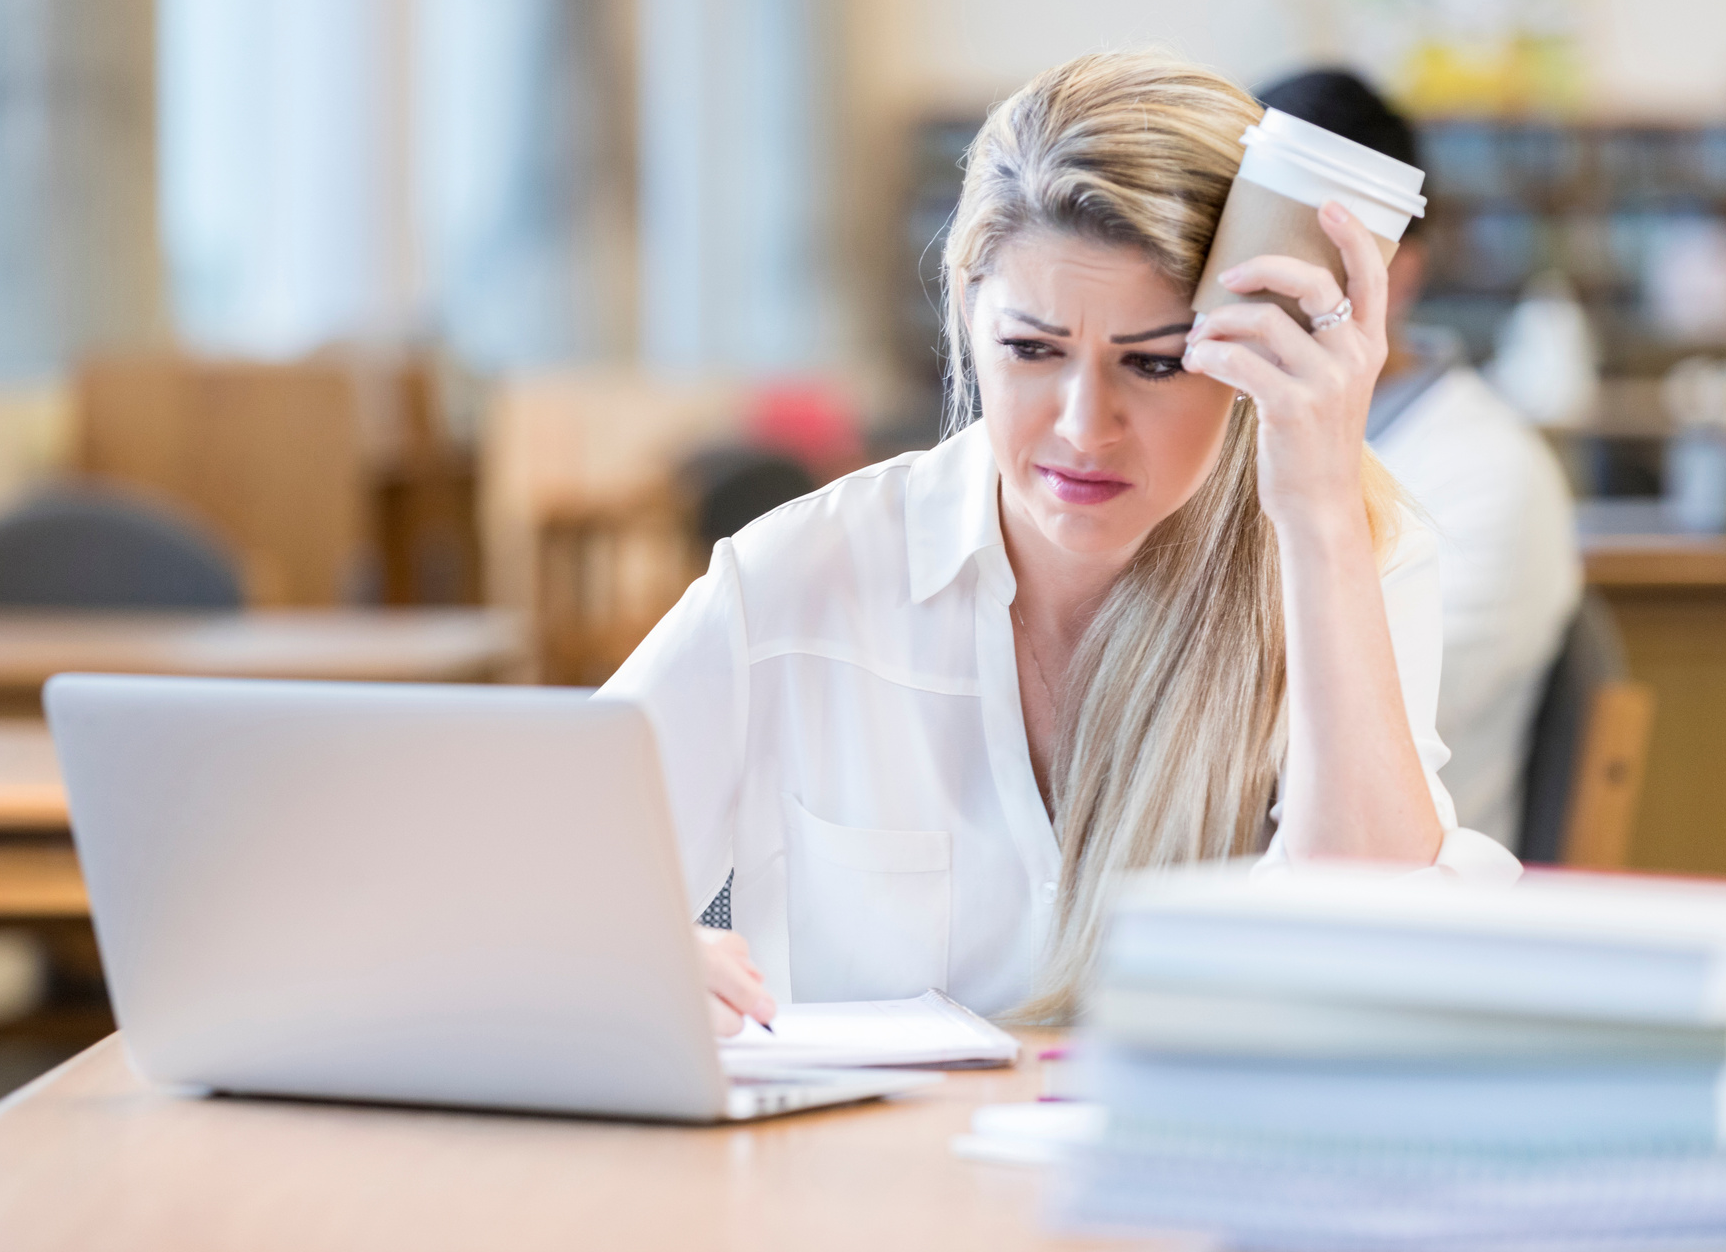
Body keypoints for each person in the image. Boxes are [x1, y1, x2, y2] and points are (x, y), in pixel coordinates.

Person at [601, 52, 1519, 1034]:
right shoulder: (801, 577)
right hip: (883, 1144)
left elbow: (1372, 960)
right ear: (969, 316)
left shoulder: (1348, 558)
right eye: (1033, 350)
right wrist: (629, 963)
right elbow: (529, 888)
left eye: (1156, 364)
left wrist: (1319, 509)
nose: (1085, 427)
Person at [1255, 68, 1581, 852]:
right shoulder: (1215, 430)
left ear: (1395, 271)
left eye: (1291, 244)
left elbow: (1358, 730)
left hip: (1399, 893)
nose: (1246, 280)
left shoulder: (1490, 474)